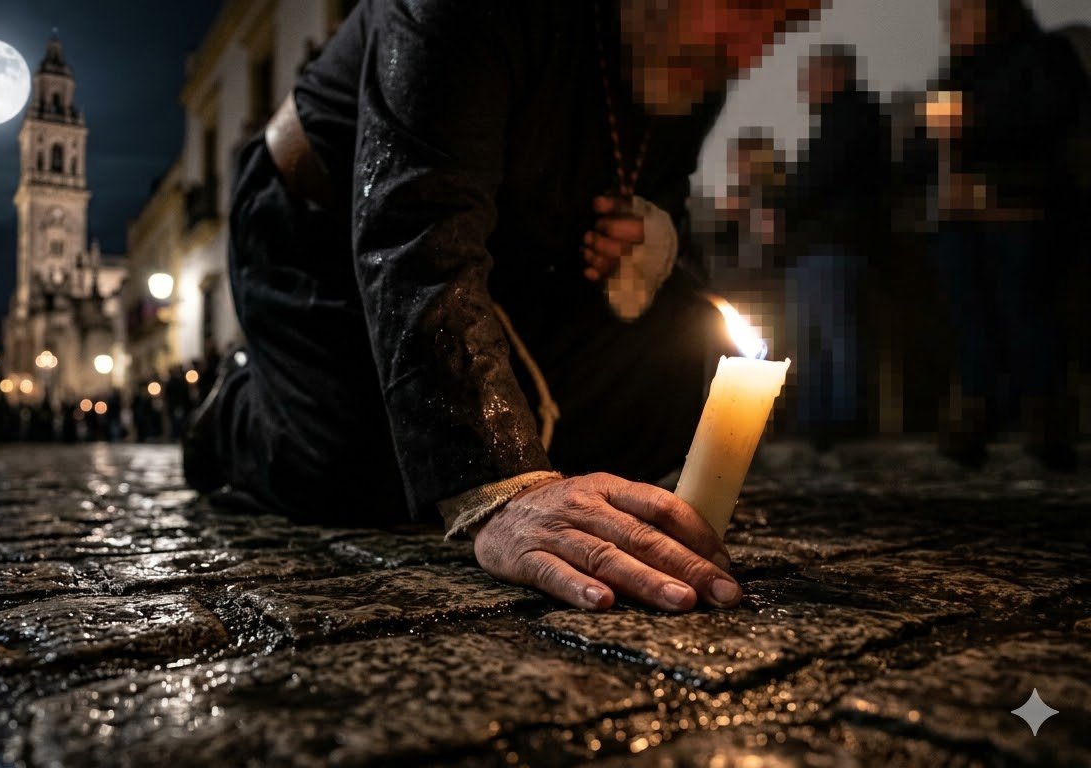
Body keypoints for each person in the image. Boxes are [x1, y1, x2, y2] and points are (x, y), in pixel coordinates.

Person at [185, 0, 825, 613]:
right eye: (748, 0)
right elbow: (415, 224)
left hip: (514, 262)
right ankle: (239, 420)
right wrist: (503, 488)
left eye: (784, 21)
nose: (751, 52)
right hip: (325, 229)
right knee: (394, 464)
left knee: (678, 383)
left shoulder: (697, 52)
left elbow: (647, 183)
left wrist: (652, 240)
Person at [922, 0, 1086, 471]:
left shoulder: (1045, 55)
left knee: (1026, 311)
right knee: (969, 318)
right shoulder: (956, 71)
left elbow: (1058, 115)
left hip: (1024, 210)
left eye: (964, 11)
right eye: (948, 14)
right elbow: (925, 146)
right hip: (961, 218)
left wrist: (981, 120)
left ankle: (1046, 423)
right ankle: (974, 418)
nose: (952, 23)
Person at [781, 45, 889, 448]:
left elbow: (820, 178)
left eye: (811, 74)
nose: (803, 84)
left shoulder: (849, 119)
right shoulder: (840, 119)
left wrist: (781, 204)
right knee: (814, 337)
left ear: (835, 74)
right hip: (820, 245)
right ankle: (817, 418)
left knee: (834, 335)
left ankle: (840, 419)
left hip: (833, 244)